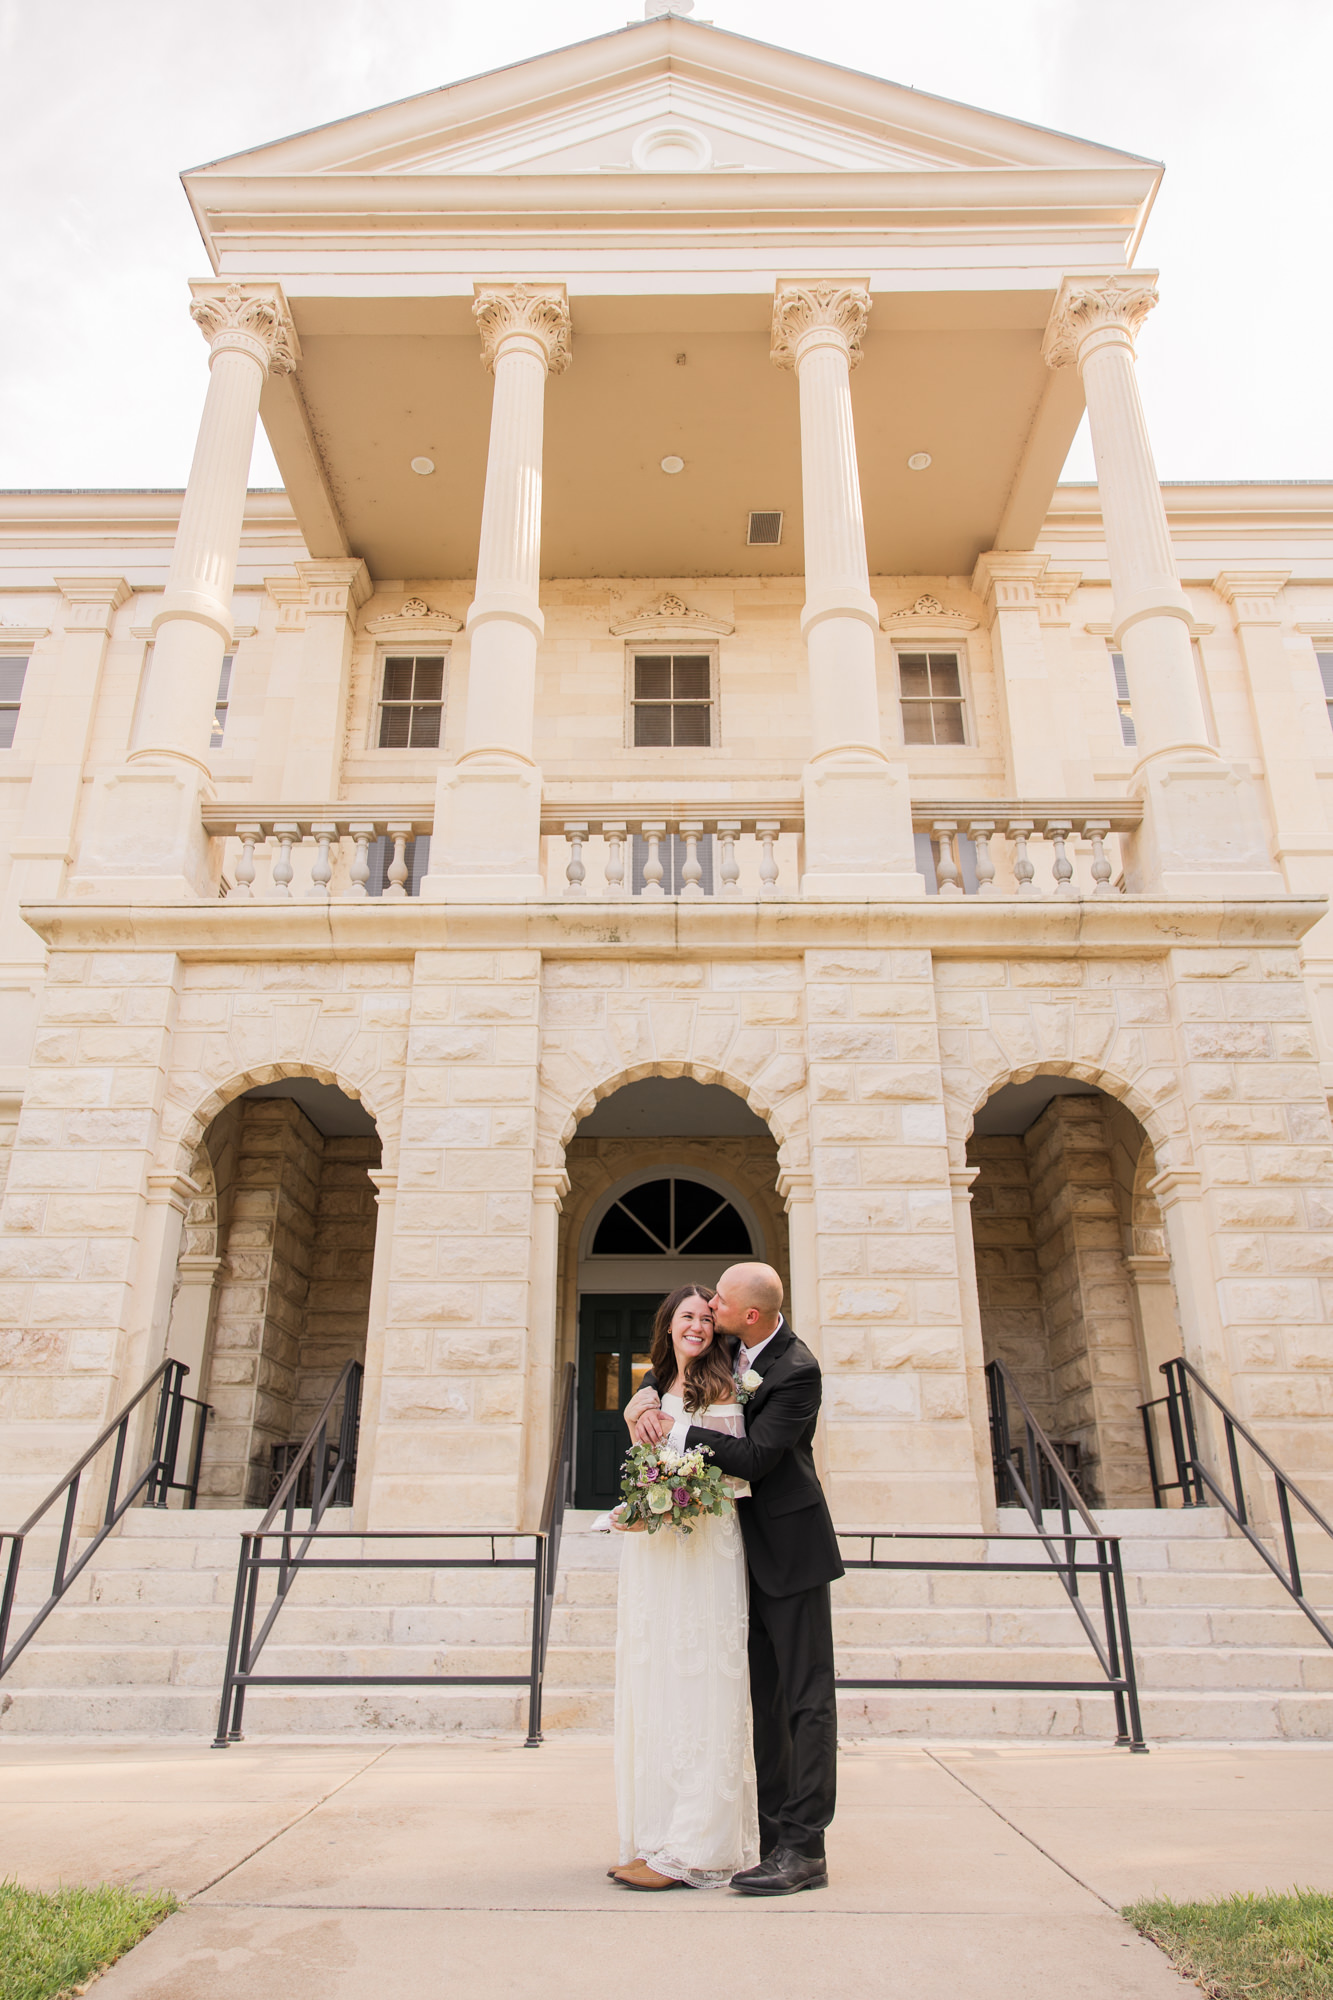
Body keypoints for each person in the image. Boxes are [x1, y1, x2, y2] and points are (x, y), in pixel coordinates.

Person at [624, 1261, 842, 1897]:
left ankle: (806, 1849)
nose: (707, 1307)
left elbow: (755, 1458)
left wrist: (679, 1432)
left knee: (805, 1702)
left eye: (717, 1301)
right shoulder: (731, 1343)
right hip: (734, 1554)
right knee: (765, 1703)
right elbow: (670, 1364)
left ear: (749, 1315)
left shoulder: (797, 1370)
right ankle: (771, 1837)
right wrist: (641, 1395)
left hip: (792, 1551)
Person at [607, 1284, 760, 1892]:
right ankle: (658, 1836)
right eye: (685, 1316)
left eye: (705, 1317)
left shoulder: (724, 1383)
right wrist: (638, 1507)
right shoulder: (654, 1385)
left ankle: (695, 1847)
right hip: (655, 1553)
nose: (695, 1325)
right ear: (668, 1325)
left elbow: (736, 1473)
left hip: (702, 1547)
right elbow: (650, 1463)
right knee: (659, 1687)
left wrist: (674, 1501)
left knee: (699, 1687)